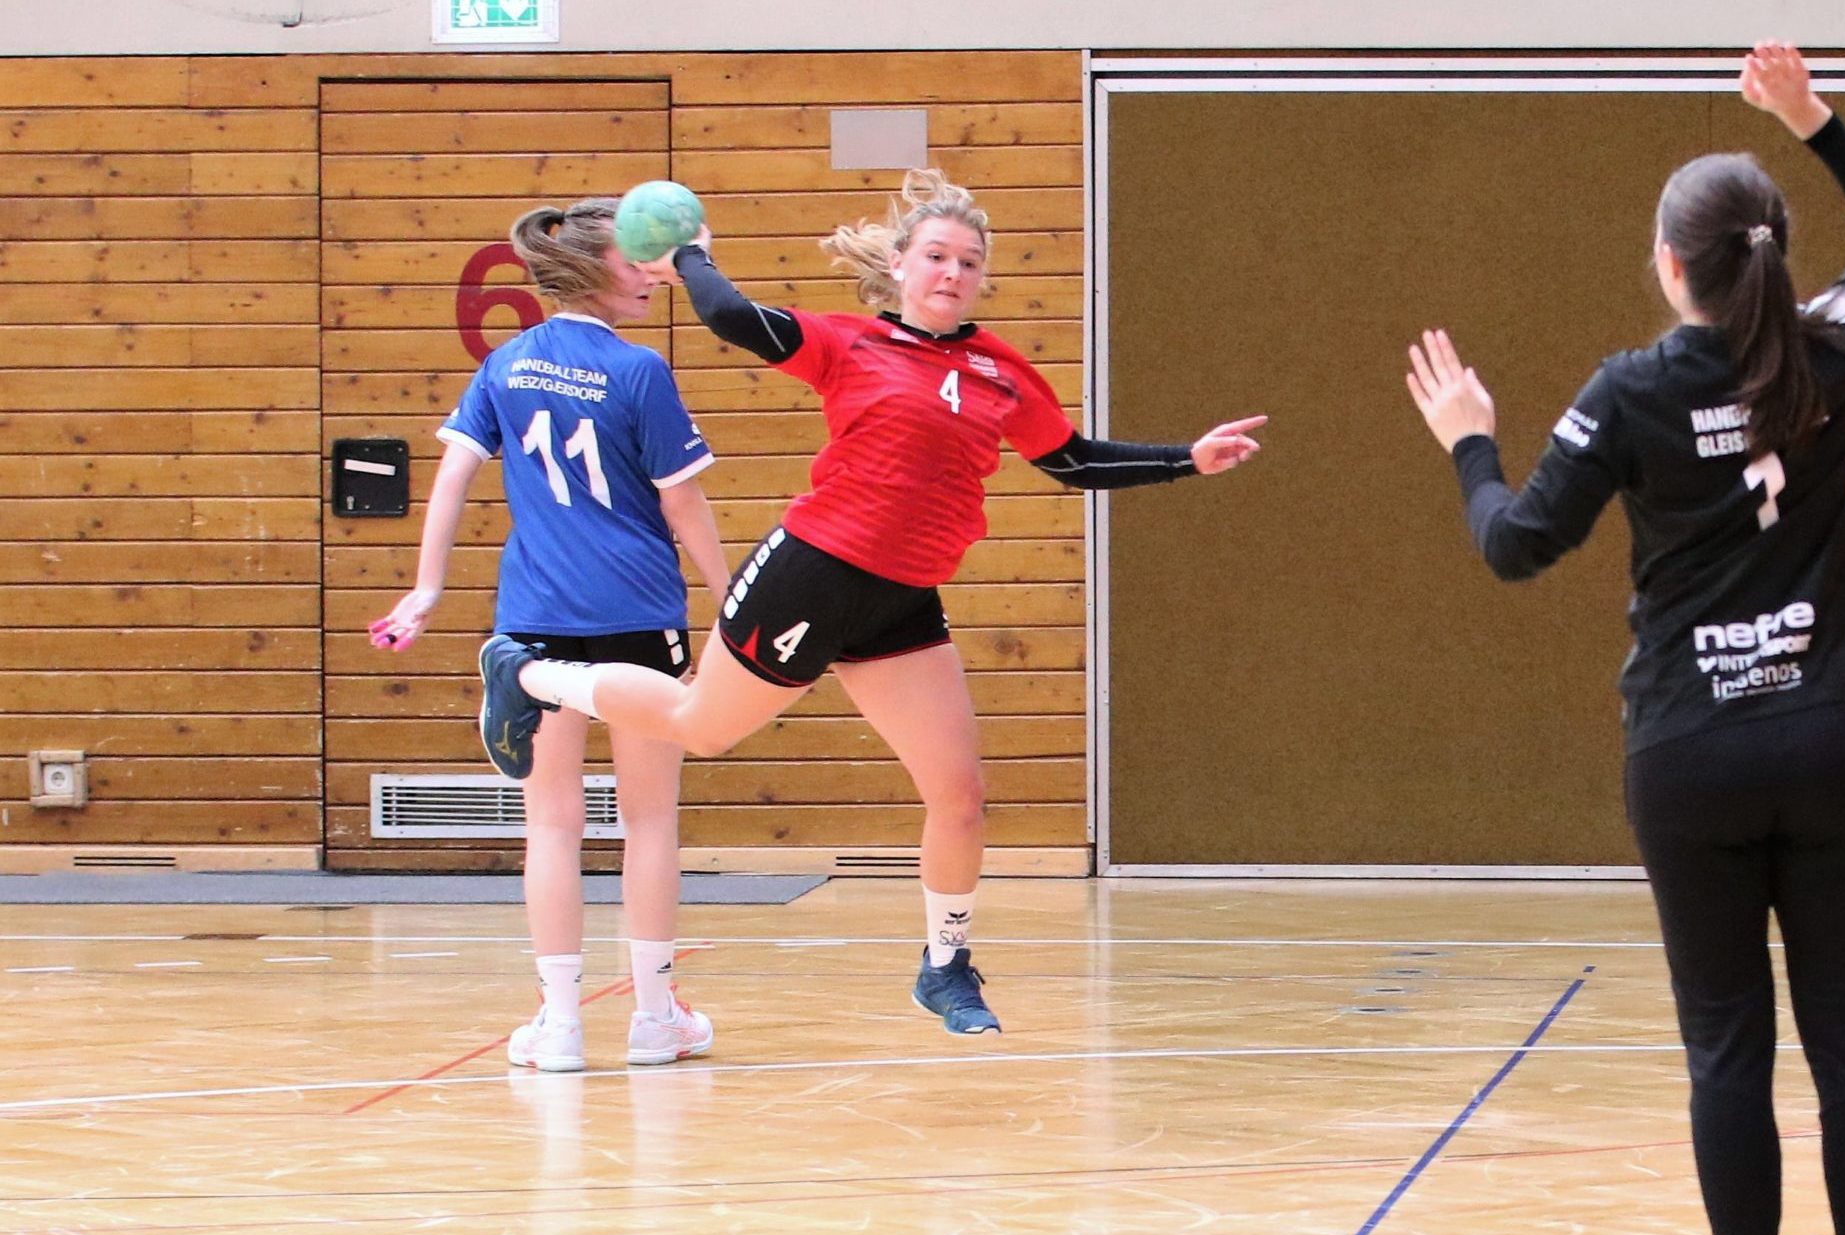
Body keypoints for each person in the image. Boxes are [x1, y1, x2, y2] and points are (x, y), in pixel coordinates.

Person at [474, 169, 1266, 1036]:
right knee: (700, 727)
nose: (952, 272)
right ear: (899, 265)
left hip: (903, 595)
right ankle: (531, 677)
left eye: (969, 261)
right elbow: (733, 318)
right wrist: (693, 257)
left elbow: (1071, 459)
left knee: (959, 795)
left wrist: (1186, 458)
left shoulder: (1000, 371)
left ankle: (946, 967)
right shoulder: (849, 343)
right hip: (813, 572)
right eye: (936, 255)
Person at [1403, 43, 1845, 1235]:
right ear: (1773, 254)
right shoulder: (1830, 344)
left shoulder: (1629, 391)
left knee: (1727, 1050)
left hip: (1691, 751)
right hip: (1829, 736)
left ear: (1669, 264)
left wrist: (1469, 443)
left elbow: (1518, 542)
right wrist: (1810, 116)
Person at [370, 197, 730, 1073]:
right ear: (599, 268)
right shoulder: (639, 370)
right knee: (650, 820)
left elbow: (452, 473)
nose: (653, 277)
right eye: (639, 261)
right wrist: (732, 598)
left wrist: (427, 587)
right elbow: (683, 502)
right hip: (639, 614)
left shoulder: (505, 364)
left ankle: (561, 1024)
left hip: (536, 624)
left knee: (553, 827)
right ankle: (654, 1018)